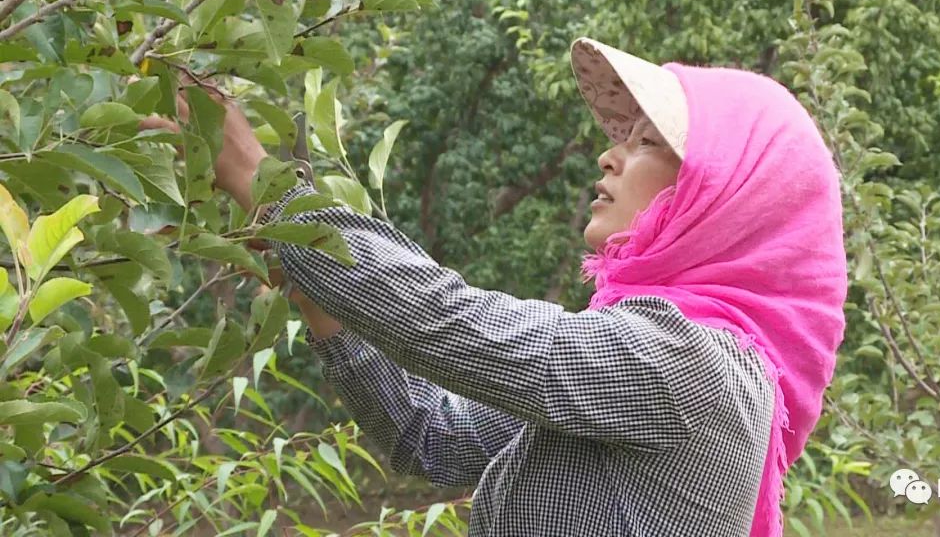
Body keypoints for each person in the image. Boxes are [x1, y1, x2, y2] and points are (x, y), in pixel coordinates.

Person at [141, 37, 848, 536]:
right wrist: (321, 296)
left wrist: (261, 181)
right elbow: (434, 434)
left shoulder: (687, 365)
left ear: (722, 197)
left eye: (646, 144)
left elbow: (448, 319)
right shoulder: (656, 362)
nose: (609, 154)